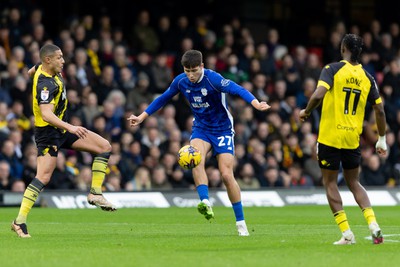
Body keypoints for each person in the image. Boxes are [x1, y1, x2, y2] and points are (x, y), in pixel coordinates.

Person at [127, 50, 270, 236]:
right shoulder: (180, 81)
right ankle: (205, 201)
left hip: (223, 129)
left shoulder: (213, 79)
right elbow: (163, 98)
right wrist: (142, 116)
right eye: (187, 71)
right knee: (195, 158)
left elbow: (237, 89)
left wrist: (256, 103)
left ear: (202, 66)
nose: (191, 75)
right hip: (201, 128)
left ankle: (240, 222)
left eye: (194, 70)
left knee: (226, 175)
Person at [11, 44, 116, 238]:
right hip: (49, 133)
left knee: (104, 147)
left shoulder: (42, 67)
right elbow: (46, 114)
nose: (64, 61)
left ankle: (95, 193)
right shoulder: (46, 84)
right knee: (43, 177)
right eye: (59, 58)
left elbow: (29, 71)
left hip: (61, 128)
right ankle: (19, 221)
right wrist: (71, 127)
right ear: (48, 60)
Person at [299, 34, 387, 245]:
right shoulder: (368, 77)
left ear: (343, 48)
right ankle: (373, 223)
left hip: (330, 137)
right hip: (352, 139)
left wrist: (307, 111)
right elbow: (380, 110)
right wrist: (381, 138)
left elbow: (319, 94)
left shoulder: (332, 69)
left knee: (330, 182)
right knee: (354, 182)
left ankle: (347, 233)